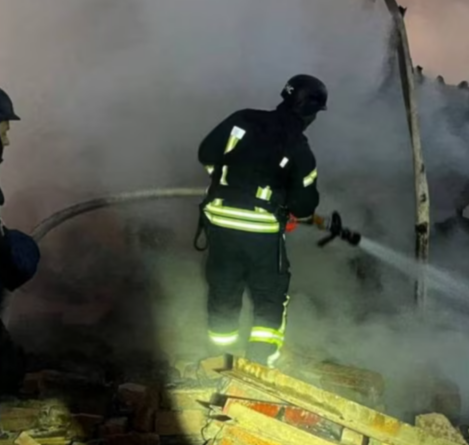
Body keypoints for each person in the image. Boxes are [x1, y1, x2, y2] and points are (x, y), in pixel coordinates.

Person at [197, 74, 327, 367]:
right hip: (261, 230)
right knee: (269, 294)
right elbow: (304, 205)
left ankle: (218, 361)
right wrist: (286, 205)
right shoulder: (300, 148)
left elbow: (206, 153)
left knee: (223, 287)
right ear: (310, 112)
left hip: (220, 222)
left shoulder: (242, 119)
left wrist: (225, 183)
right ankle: (258, 364)